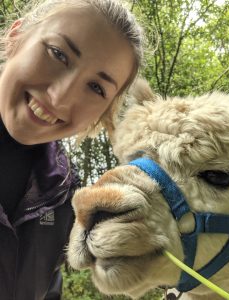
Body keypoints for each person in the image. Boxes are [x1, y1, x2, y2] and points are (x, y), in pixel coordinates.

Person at [0, 0, 145, 299]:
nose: (60, 98)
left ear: (104, 111)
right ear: (16, 36)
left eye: (96, 88)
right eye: (58, 54)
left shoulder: (64, 194)